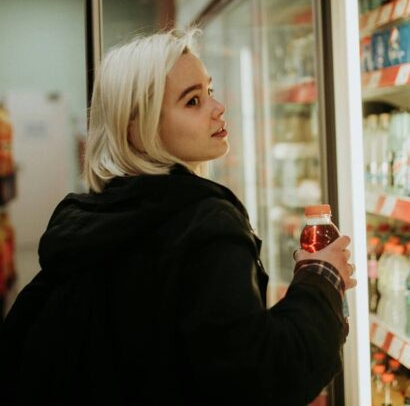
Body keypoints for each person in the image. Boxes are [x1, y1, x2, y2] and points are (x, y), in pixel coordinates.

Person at [0, 27, 356, 406]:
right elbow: (258, 377)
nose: (218, 108)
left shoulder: (85, 218)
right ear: (138, 128)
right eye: (193, 101)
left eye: (210, 91)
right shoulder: (207, 225)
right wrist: (321, 279)